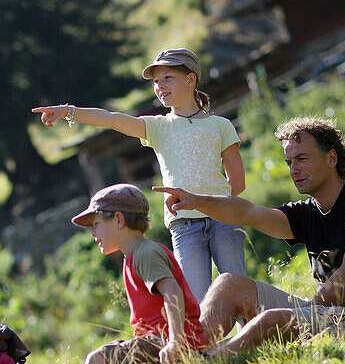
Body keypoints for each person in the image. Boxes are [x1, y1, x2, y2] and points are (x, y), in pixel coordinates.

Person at [154, 116, 345, 357]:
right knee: (228, 284)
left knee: (271, 321)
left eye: (302, 159)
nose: (294, 170)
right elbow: (248, 212)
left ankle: (208, 363)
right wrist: (197, 201)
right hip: (330, 312)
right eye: (290, 163)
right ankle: (186, 355)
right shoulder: (306, 213)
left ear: (331, 158)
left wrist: (302, 314)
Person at [32, 47, 246, 302]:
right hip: (184, 225)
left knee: (239, 291)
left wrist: (215, 204)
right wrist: (69, 111)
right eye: (156, 81)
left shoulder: (220, 125)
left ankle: (254, 338)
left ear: (191, 79)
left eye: (168, 78)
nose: (160, 86)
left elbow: (238, 183)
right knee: (198, 303)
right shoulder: (157, 127)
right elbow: (111, 119)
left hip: (224, 220)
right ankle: (209, 344)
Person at [45, 183, 206, 364]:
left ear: (118, 219)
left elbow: (171, 291)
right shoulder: (133, 256)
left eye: (96, 224)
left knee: (99, 358)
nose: (93, 233)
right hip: (155, 343)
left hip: (166, 344)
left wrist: (175, 342)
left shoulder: (145, 253)